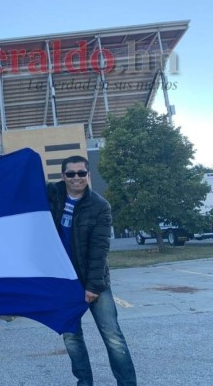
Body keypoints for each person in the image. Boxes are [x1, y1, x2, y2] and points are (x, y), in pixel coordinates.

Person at [47, 156, 137, 386]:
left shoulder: (99, 205)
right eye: (71, 173)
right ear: (63, 176)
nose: (76, 177)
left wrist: (93, 286)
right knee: (72, 339)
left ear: (88, 175)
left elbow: (99, 250)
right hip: (64, 283)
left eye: (81, 173)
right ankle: (84, 383)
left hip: (93, 280)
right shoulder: (52, 196)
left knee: (112, 337)